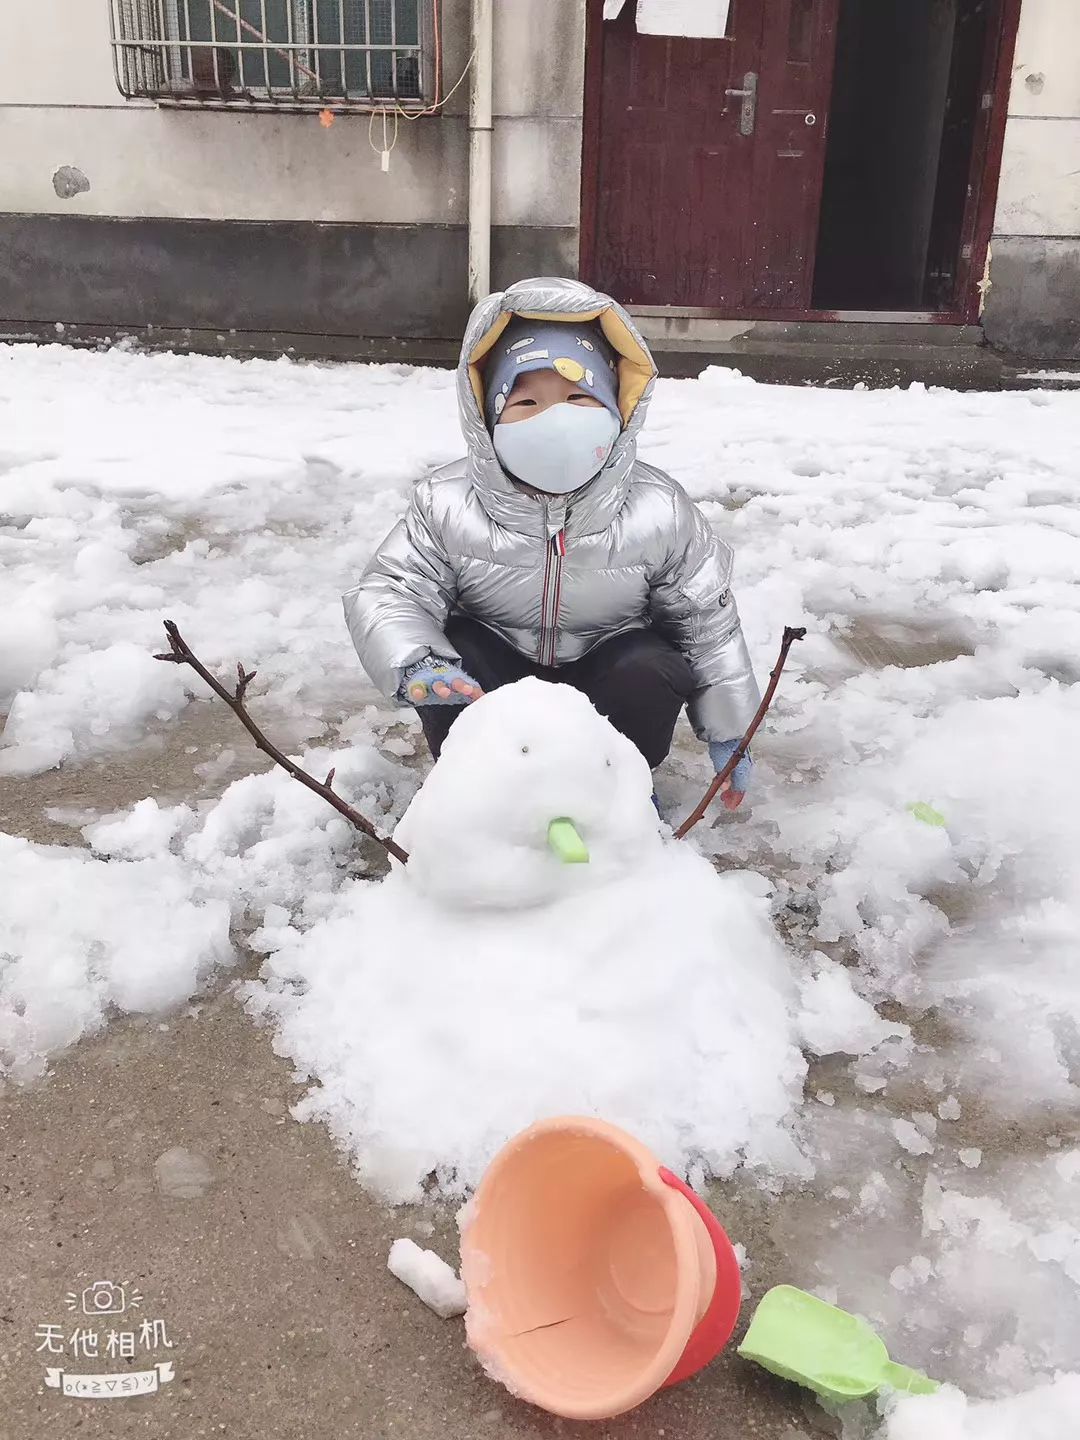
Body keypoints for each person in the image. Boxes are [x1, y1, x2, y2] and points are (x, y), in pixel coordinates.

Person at [343, 276, 760, 809]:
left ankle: (619, 785)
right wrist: (415, 662)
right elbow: (394, 588)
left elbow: (707, 622)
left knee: (652, 666)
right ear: (488, 419)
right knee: (458, 646)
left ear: (617, 411)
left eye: (578, 397)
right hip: (497, 674)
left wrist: (730, 730)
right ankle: (477, 785)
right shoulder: (445, 501)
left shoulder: (659, 508)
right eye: (527, 403)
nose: (555, 418)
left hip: (605, 672)